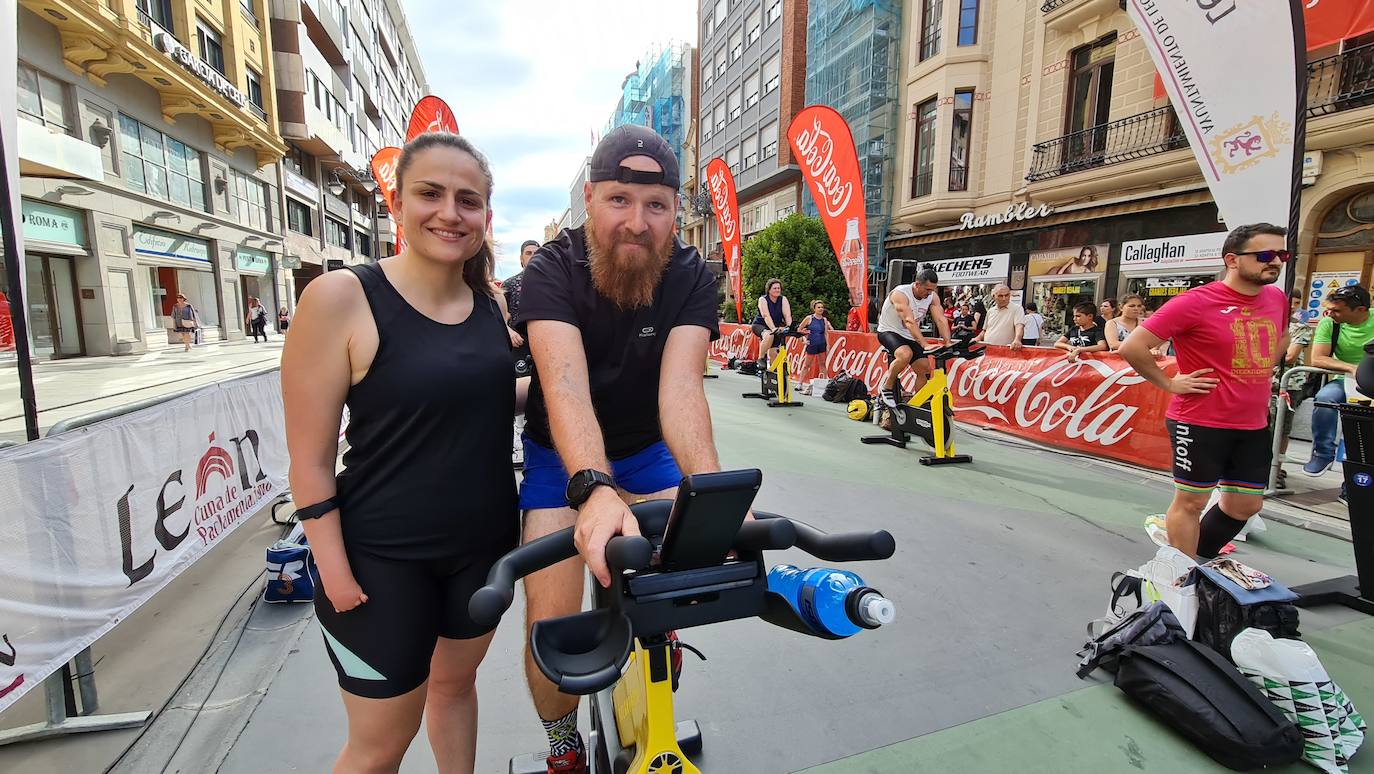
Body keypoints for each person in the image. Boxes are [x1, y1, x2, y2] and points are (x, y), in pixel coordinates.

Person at [280, 132, 517, 773]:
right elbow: (309, 457)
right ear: (399, 204)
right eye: (430, 194)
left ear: (485, 217)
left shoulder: (491, 305)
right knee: (381, 743)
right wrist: (332, 569)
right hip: (380, 562)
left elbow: (482, 400)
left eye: (468, 200)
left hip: (482, 550)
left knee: (453, 688)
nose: (449, 212)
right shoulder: (340, 299)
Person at [515, 124, 722, 774]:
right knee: (550, 627)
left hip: (644, 449)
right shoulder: (551, 270)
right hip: (559, 459)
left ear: (674, 212)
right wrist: (594, 488)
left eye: (655, 205)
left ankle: (657, 640)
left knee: (679, 579)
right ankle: (562, 745)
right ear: (590, 197)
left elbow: (682, 390)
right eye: (619, 201)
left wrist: (712, 491)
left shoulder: (689, 273)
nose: (637, 222)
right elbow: (565, 386)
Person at [1118, 223, 1290, 557]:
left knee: (1245, 506)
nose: (1276, 262)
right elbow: (1133, 347)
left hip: (1252, 422)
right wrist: (1169, 383)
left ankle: (1194, 559)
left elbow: (1282, 335)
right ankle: (1180, 576)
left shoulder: (1276, 298)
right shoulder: (1195, 302)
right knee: (1192, 502)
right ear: (1232, 260)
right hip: (1199, 420)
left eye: (1281, 254)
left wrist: (1264, 365)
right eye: (1265, 255)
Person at [1303, 284, 1373, 486]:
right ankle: (1323, 453)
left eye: (1337, 310)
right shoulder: (1329, 323)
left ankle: (1355, 484)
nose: (1330, 313)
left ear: (1360, 310)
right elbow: (1317, 358)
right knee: (1325, 399)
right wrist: (1352, 368)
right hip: (1345, 380)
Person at [875, 265, 950, 406]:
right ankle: (887, 386)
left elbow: (940, 319)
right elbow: (909, 321)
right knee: (905, 354)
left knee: (924, 368)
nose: (929, 293)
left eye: (932, 290)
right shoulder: (900, 293)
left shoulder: (932, 296)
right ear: (916, 285)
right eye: (927, 289)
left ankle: (918, 404)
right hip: (889, 331)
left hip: (909, 335)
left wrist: (948, 341)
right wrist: (924, 344)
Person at [1273, 290, 1317, 487]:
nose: (1293, 306)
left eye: (1297, 303)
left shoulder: (1301, 327)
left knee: (1283, 427)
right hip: (1263, 380)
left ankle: (1276, 468)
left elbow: (1290, 356)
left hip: (1289, 383)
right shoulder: (1269, 321)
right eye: (1290, 301)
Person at [751, 278, 792, 366]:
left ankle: (774, 373)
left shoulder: (783, 299)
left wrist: (789, 326)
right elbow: (766, 315)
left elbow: (787, 315)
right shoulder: (763, 299)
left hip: (775, 327)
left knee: (774, 351)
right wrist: (773, 328)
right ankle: (761, 358)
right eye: (775, 288)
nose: (777, 290)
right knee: (769, 335)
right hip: (761, 325)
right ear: (769, 290)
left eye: (779, 288)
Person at [797, 299, 834, 394]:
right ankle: (800, 383)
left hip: (821, 344)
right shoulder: (809, 318)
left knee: (822, 364)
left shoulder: (824, 320)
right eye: (819, 307)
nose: (821, 309)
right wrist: (805, 337)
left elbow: (826, 333)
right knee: (807, 365)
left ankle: (824, 384)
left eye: (822, 307)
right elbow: (799, 329)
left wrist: (828, 345)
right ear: (814, 309)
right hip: (812, 344)